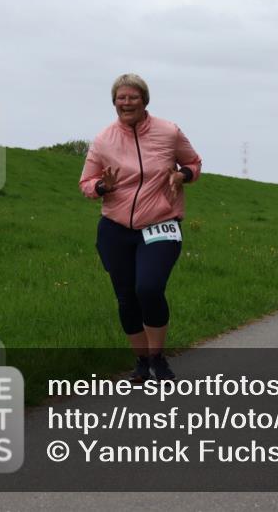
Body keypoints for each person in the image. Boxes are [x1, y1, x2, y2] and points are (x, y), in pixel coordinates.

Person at [79, 74, 202, 382]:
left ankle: (158, 359)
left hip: (160, 224)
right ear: (114, 103)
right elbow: (86, 183)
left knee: (148, 288)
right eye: (121, 98)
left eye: (133, 97)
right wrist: (102, 187)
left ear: (145, 100)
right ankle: (141, 362)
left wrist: (181, 176)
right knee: (126, 297)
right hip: (115, 228)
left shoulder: (168, 132)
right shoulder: (104, 139)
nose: (127, 102)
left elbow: (194, 163)